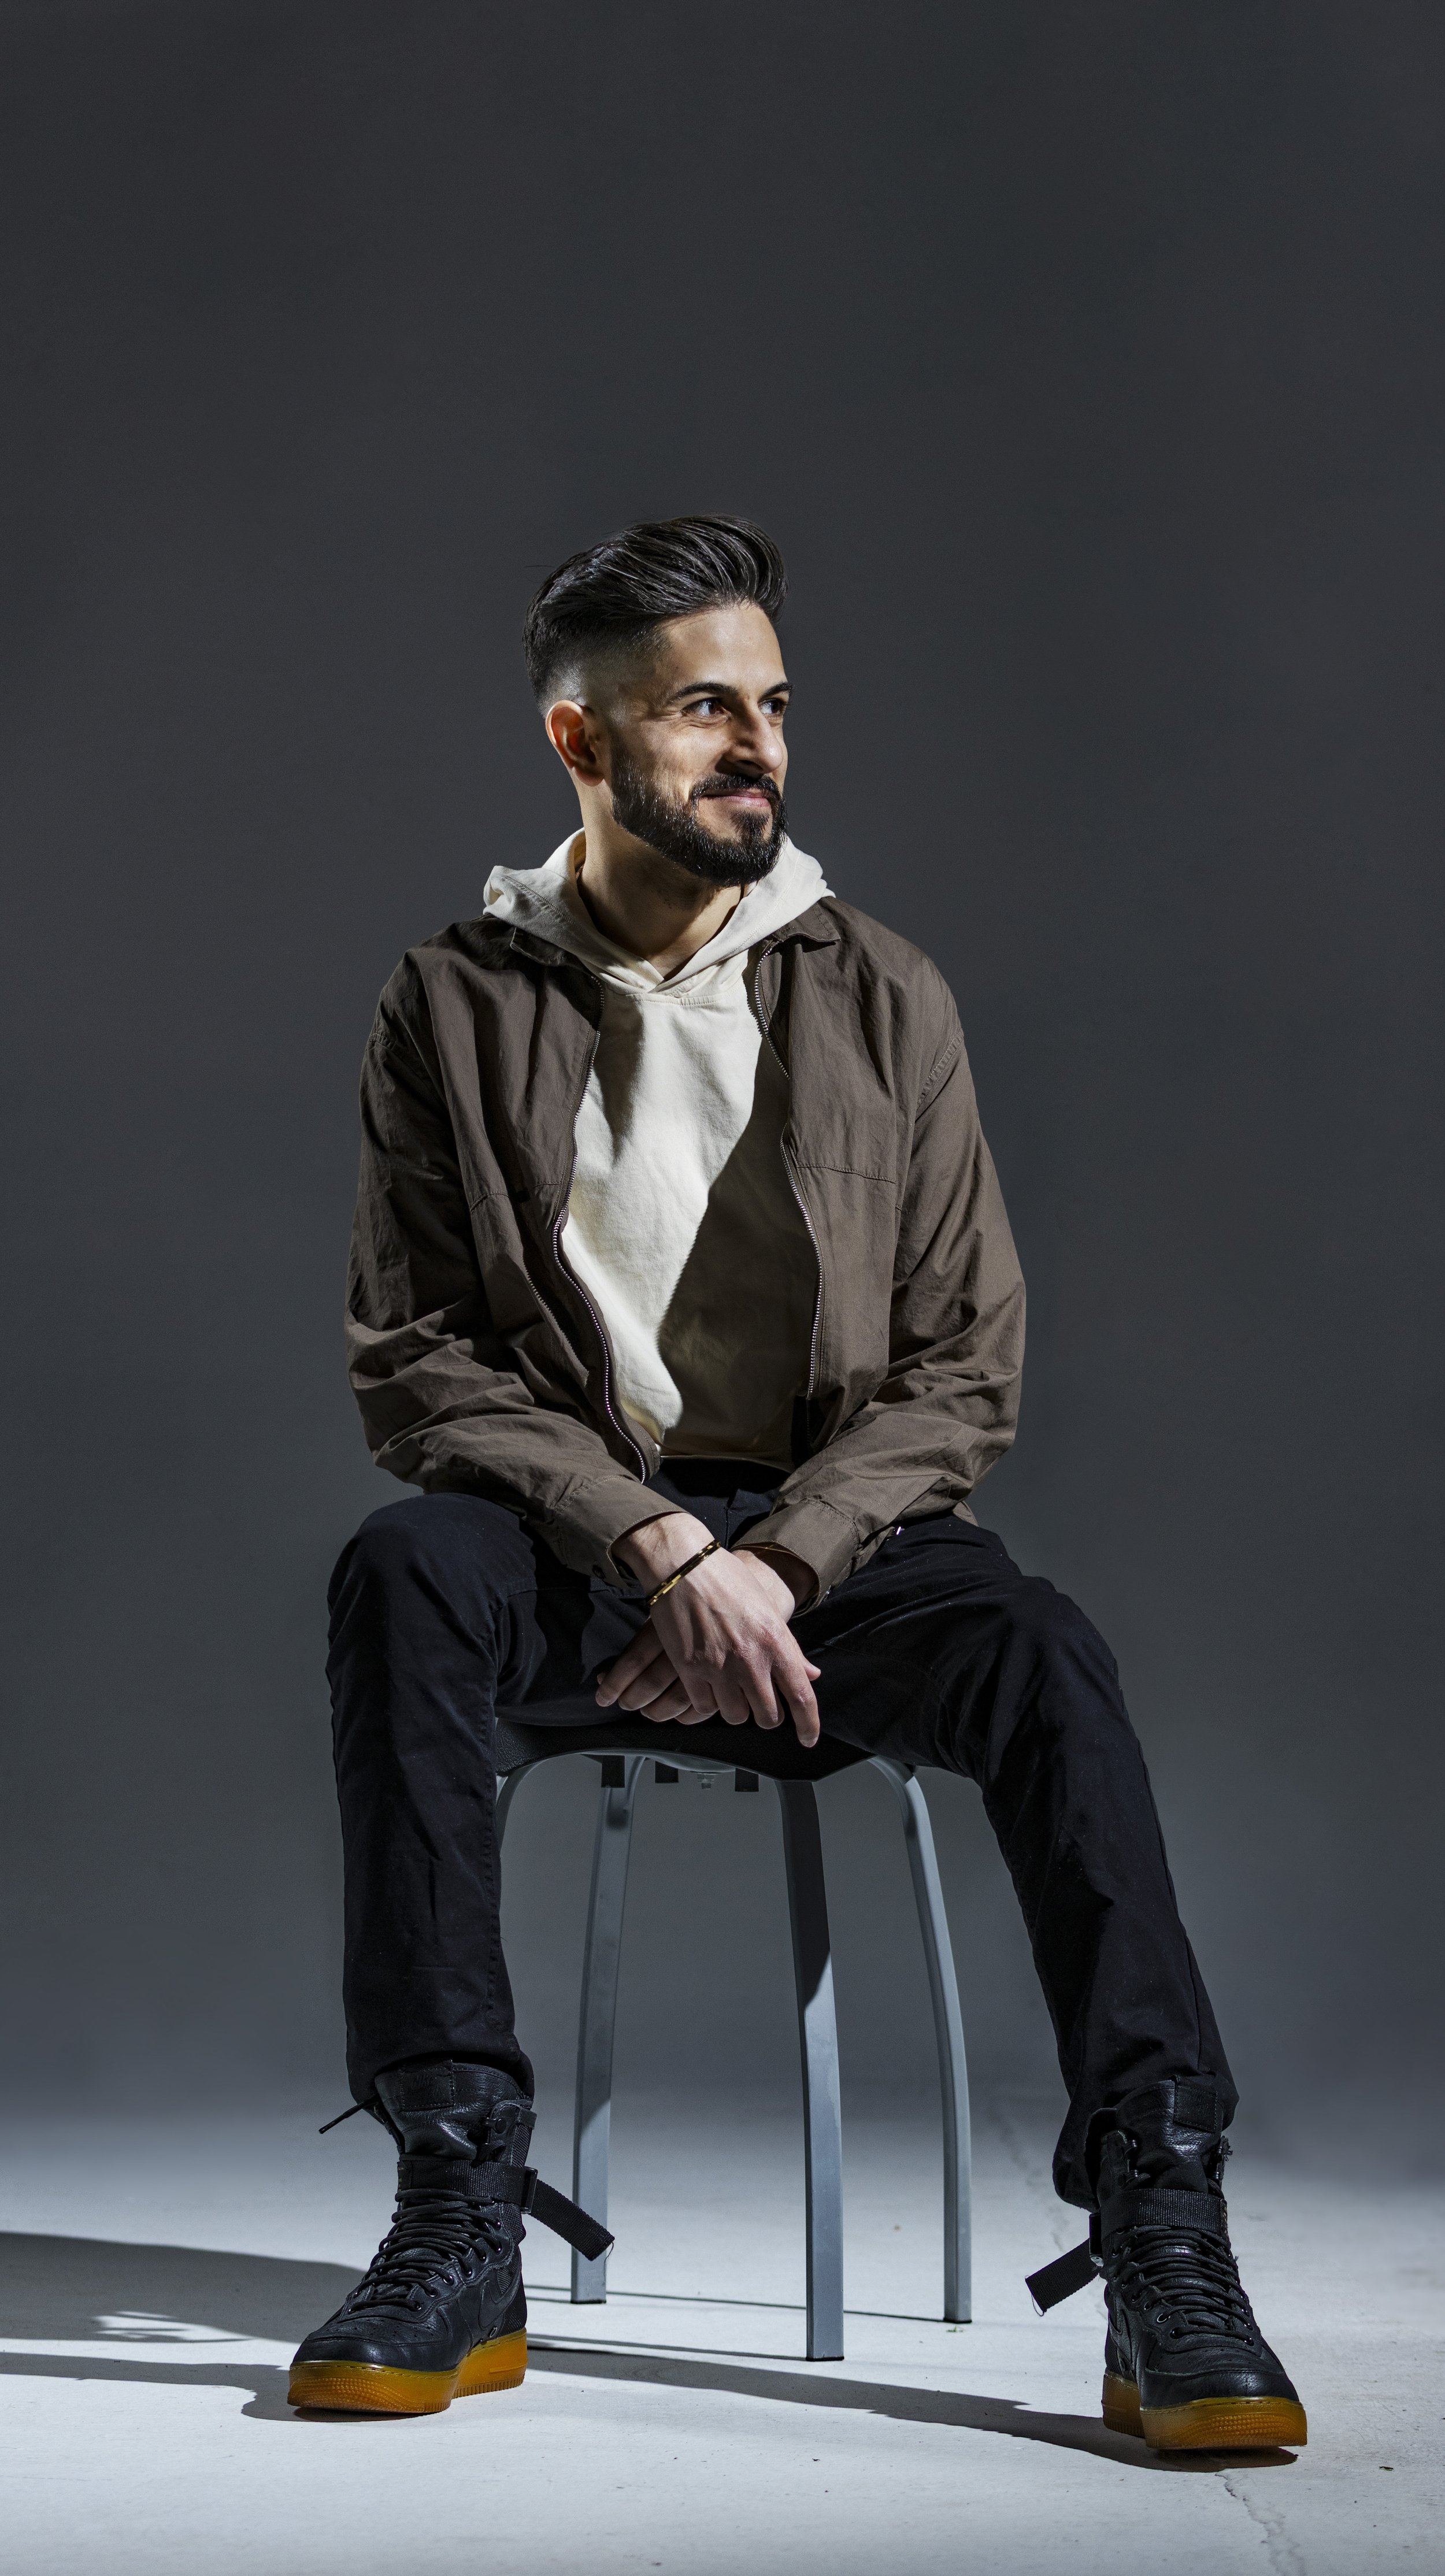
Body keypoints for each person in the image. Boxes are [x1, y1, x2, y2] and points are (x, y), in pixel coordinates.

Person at [288, 516, 1305, 2452]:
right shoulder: (451, 996)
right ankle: (453, 2199)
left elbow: (960, 1369)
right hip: (578, 1536)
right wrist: (657, 1542)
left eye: (771, 704)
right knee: (402, 1570)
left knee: (1046, 1655)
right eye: (701, 710)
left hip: (846, 1544)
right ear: (583, 748)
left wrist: (781, 1555)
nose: (755, 744)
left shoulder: (884, 992)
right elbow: (415, 1358)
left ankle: (1167, 2217)